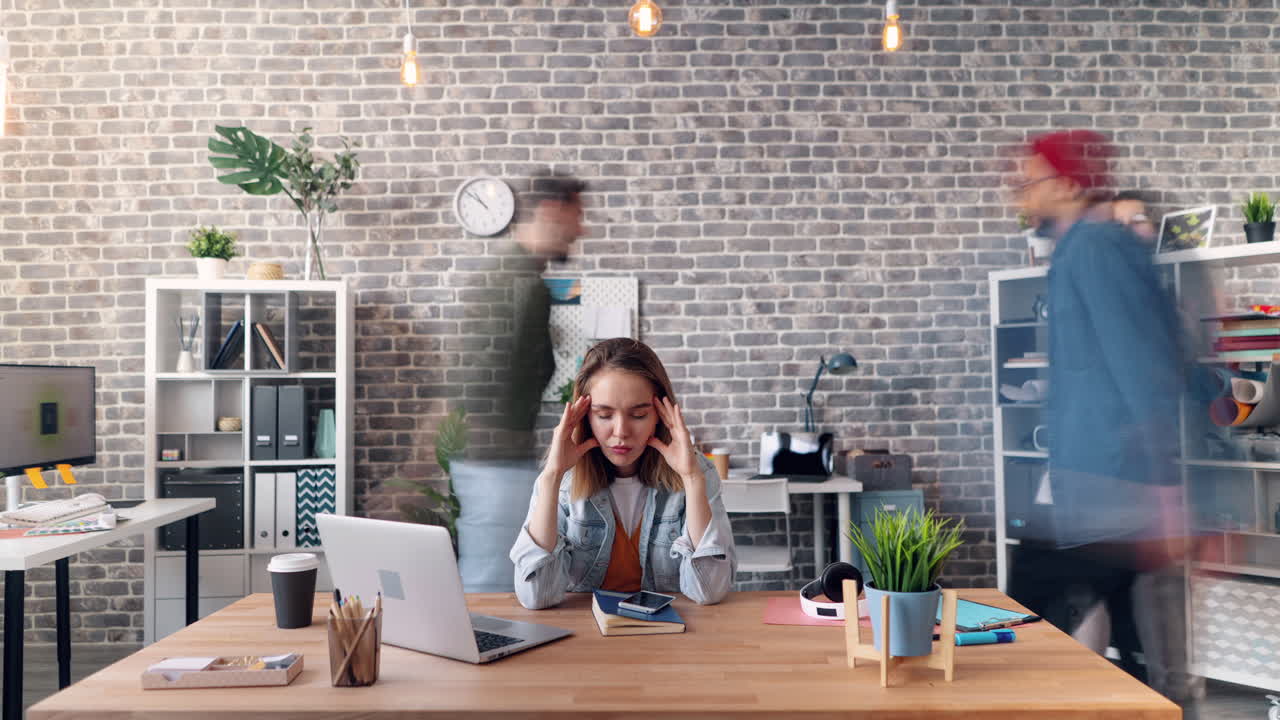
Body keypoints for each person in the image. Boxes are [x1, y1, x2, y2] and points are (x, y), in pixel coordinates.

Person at [1006, 130, 1201, 712]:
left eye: (1032, 180)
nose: (1021, 193)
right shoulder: (1076, 250)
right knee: (1119, 629)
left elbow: (1142, 363)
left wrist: (1164, 489)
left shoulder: (1098, 248)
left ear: (1068, 184)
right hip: (1089, 476)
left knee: (1033, 605)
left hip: (1116, 480)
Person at [509, 338, 736, 610]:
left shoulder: (697, 472)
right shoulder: (562, 479)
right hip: (585, 631)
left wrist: (692, 479)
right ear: (584, 416)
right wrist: (552, 476)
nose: (621, 432)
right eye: (604, 415)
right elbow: (536, 596)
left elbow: (710, 591)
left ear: (661, 415)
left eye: (638, 415)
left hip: (671, 632)